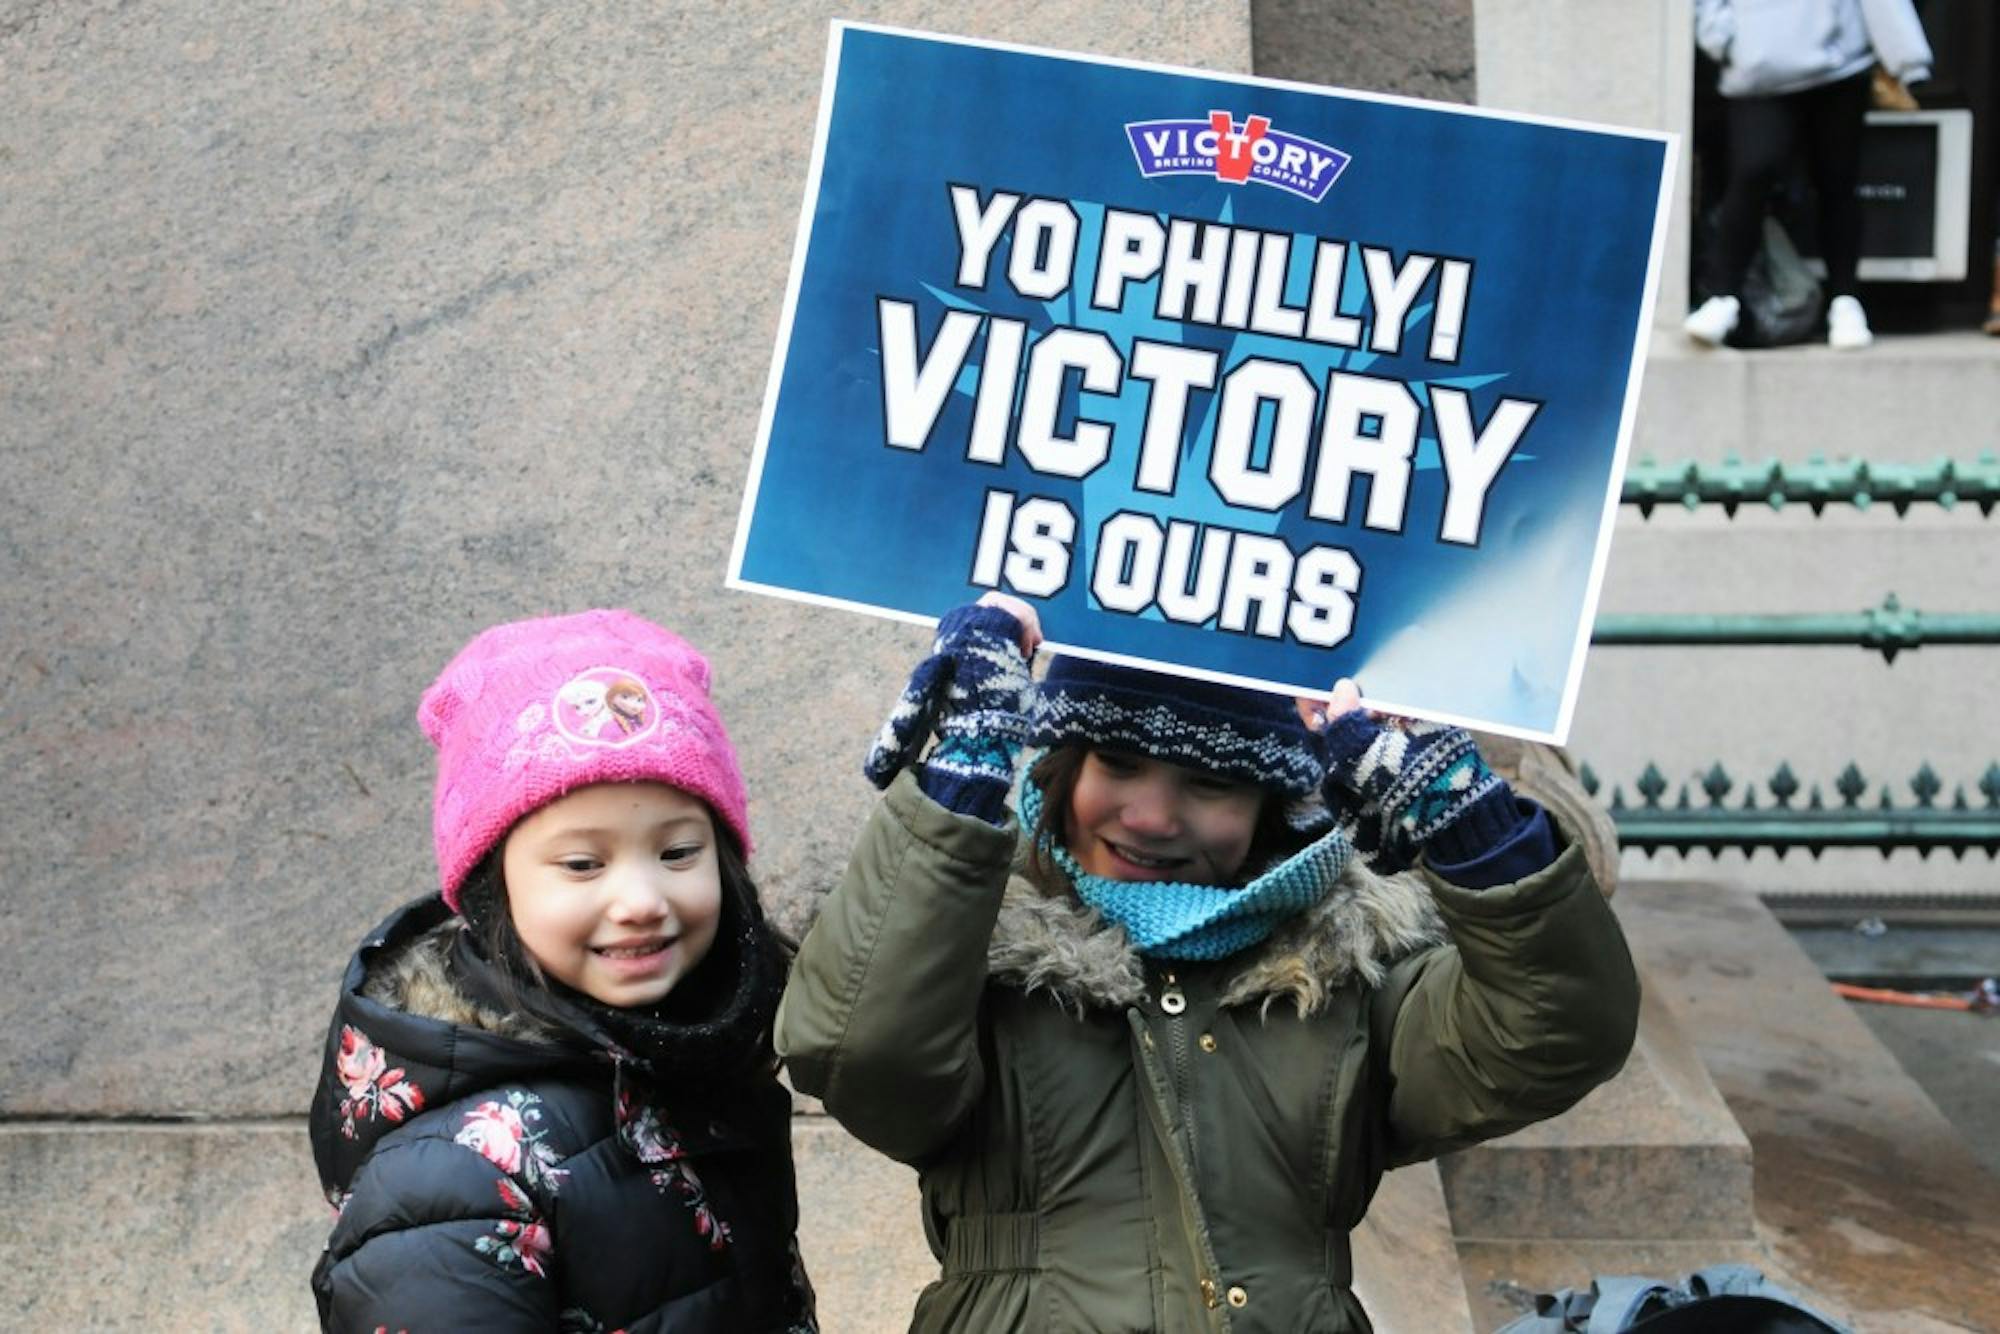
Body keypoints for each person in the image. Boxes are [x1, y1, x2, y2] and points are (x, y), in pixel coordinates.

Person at [777, 594, 1639, 1332]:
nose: (1152, 817)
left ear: (1273, 806)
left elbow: (1554, 1034)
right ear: (1064, 762)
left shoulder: (1352, 971)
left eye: (1212, 781)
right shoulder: (977, 946)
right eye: (1117, 761)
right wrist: (962, 774)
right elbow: (857, 1051)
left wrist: (1472, 834)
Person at [308, 610, 816, 1332]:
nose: (642, 901)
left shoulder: (696, 1070)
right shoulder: (452, 1176)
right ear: (492, 891)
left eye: (678, 854)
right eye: (583, 864)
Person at [1684, 0, 1933, 351]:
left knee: (1837, 181)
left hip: (1840, 67)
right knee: (1752, 172)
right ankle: (1722, 296)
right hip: (1757, 71)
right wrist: (1723, 40)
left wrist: (1909, 61)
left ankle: (1845, 301)